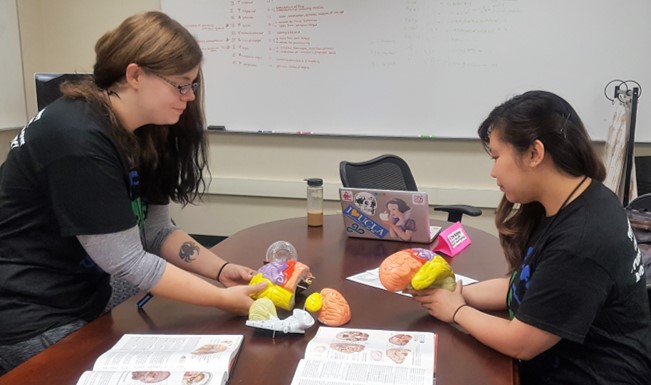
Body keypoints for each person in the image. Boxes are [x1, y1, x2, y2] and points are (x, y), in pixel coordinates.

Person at [0, 11, 266, 374]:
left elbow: (156, 232)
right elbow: (125, 260)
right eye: (180, 85)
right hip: (33, 316)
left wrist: (220, 271)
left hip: (85, 294)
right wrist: (221, 300)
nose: (189, 97)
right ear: (135, 75)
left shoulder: (143, 128)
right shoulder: (76, 137)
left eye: (193, 86)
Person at [406, 90, 651, 384]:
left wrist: (456, 311)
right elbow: (524, 284)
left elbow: (521, 342)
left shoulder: (582, 238)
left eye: (497, 157)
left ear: (534, 153)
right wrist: (456, 293)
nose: (494, 172)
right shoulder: (578, 200)